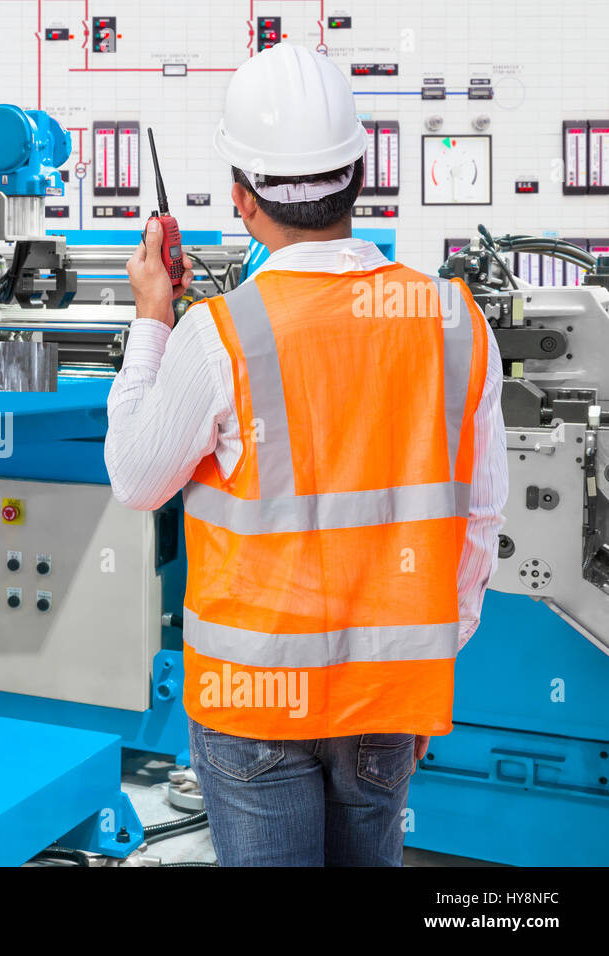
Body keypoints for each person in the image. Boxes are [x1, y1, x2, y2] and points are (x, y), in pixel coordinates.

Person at [105, 43, 507, 866]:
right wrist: (420, 663)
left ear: (243, 201)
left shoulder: (218, 335)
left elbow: (136, 480)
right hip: (389, 697)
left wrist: (152, 318)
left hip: (250, 705)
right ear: (362, 172)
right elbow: (480, 519)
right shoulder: (457, 322)